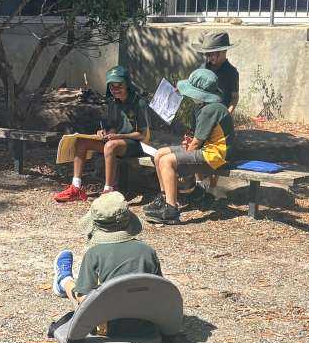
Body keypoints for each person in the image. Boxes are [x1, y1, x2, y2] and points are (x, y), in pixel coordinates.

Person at [51, 191, 163, 336]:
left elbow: (84, 299)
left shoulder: (94, 254)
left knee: (78, 291)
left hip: (108, 326)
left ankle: (64, 280)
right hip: (145, 325)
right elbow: (159, 288)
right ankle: (64, 281)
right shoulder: (148, 251)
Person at [142, 68, 234, 226]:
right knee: (159, 154)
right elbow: (197, 138)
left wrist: (182, 161)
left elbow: (197, 143)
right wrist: (187, 144)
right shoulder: (203, 107)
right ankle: (164, 197)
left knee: (167, 161)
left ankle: (171, 210)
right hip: (206, 149)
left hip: (215, 155)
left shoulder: (210, 110)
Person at [53, 66, 150, 203]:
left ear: (127, 84)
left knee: (110, 146)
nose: (115, 89)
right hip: (116, 141)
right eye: (112, 86)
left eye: (119, 85)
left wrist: (118, 137)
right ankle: (76, 187)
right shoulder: (113, 102)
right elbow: (113, 126)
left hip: (136, 145)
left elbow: (142, 134)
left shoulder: (139, 103)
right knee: (81, 142)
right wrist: (104, 132)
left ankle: (108, 190)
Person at [194, 30, 240, 110]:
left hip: (221, 115)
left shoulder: (231, 72)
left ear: (223, 51)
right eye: (207, 54)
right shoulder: (204, 67)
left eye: (212, 54)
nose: (209, 57)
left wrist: (227, 113)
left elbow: (235, 97)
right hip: (203, 113)